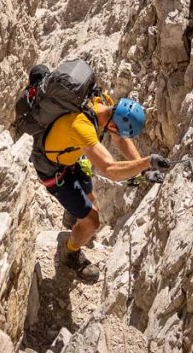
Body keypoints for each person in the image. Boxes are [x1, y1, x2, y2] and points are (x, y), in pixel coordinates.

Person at [37, 93, 170, 282]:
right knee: (93, 222)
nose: (118, 135)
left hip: (71, 154)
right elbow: (110, 170)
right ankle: (70, 253)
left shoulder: (102, 103)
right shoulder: (82, 126)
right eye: (119, 131)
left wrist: (144, 170)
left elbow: (120, 139)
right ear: (114, 125)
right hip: (55, 172)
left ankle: (73, 216)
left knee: (91, 200)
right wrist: (147, 162)